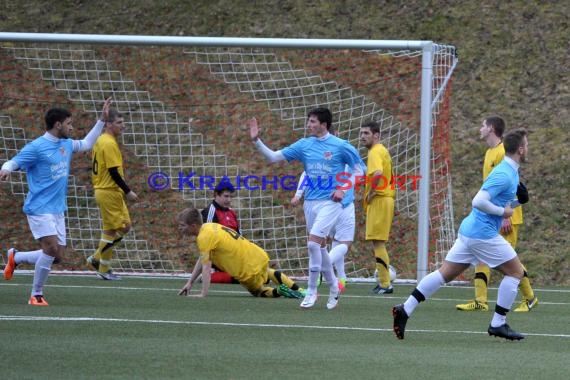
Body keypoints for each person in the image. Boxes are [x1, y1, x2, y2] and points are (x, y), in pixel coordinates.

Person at [393, 128, 530, 341]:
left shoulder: (510, 171)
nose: (528, 148)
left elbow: (494, 202)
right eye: (527, 145)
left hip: (471, 231)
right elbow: (478, 201)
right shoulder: (505, 174)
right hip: (481, 233)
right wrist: (504, 211)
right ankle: (498, 324)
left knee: (444, 274)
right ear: (521, 149)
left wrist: (517, 202)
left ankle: (405, 308)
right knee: (515, 272)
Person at [248, 107, 364, 309]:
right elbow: (274, 157)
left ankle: (311, 290)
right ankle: (334, 288)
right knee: (320, 247)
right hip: (310, 203)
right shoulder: (304, 145)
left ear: (323, 125)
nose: (308, 124)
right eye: (308, 121)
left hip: (331, 203)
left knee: (312, 244)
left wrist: (343, 189)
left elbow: (360, 170)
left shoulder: (341, 146)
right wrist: (256, 141)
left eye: (312, 121)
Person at [1, 98, 112, 305]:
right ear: (58, 124)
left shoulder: (66, 145)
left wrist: (101, 121)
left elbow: (87, 143)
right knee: (51, 249)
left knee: (57, 255)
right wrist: (6, 170)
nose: (72, 127)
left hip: (57, 208)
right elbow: (15, 161)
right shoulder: (36, 147)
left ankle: (15, 257)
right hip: (38, 207)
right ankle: (36, 294)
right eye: (69, 123)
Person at [456, 116, 537, 312]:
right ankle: (480, 300)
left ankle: (529, 298)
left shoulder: (503, 152)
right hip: (493, 216)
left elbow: (512, 187)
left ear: (491, 128)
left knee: (511, 261)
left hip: (506, 216)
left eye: (483, 125)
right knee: (481, 258)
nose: (480, 128)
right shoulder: (489, 152)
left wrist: (504, 217)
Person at [177, 207, 305, 299]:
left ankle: (280, 291)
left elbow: (206, 266)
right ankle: (300, 290)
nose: (180, 229)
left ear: (193, 226)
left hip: (246, 269)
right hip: (257, 255)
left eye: (182, 225)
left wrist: (203, 294)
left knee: (258, 291)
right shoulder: (210, 226)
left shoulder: (203, 238)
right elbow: (202, 259)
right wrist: (190, 282)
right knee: (267, 272)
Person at [87, 108, 138, 280]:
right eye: (119, 123)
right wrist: (128, 191)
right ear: (108, 124)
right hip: (108, 191)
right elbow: (113, 172)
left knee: (124, 227)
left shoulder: (103, 140)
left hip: (110, 192)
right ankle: (103, 269)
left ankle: (96, 258)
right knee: (115, 230)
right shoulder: (108, 143)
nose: (123, 126)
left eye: (123, 122)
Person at [360, 121, 395, 294]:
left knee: (378, 242)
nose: (363, 137)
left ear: (376, 135)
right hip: (385, 199)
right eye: (362, 133)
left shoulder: (375, 151)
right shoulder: (382, 150)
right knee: (378, 242)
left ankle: (385, 283)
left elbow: (378, 173)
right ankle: (384, 280)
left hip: (380, 200)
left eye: (366, 133)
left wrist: (372, 192)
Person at [201, 182, 240, 284]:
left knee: (259, 274)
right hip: (219, 258)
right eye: (226, 196)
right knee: (242, 277)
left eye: (230, 196)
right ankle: (210, 276)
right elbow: (207, 241)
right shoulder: (210, 211)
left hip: (234, 256)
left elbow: (239, 237)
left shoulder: (232, 212)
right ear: (216, 195)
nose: (229, 200)